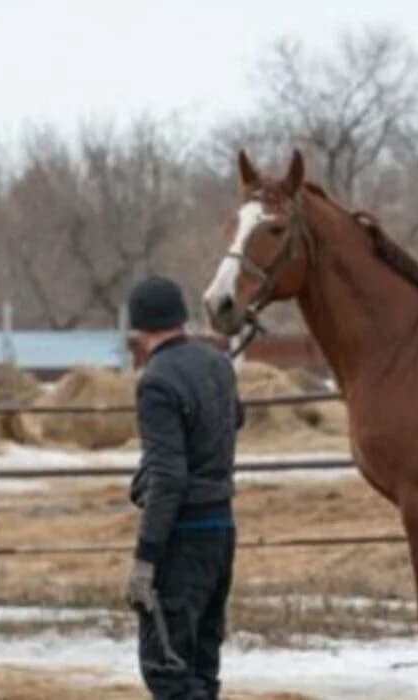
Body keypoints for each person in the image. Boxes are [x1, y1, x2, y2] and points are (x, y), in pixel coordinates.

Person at [125, 274, 244, 700]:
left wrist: (146, 558)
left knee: (168, 670)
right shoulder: (217, 363)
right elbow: (236, 418)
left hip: (182, 537)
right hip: (222, 529)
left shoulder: (156, 380)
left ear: (138, 330)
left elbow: (169, 477)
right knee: (202, 668)